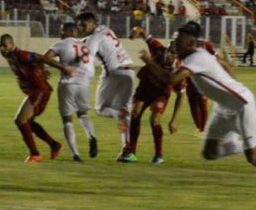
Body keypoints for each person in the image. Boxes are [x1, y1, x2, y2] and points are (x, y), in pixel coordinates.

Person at [140, 23, 256, 201]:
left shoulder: (197, 58)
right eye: (176, 39)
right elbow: (224, 63)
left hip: (241, 105)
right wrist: (231, 83)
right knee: (209, 153)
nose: (176, 43)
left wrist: (149, 62)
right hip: (223, 107)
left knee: (253, 158)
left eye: (180, 40)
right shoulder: (198, 55)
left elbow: (172, 79)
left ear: (191, 43)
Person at [0, 33, 71, 162]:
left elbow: (41, 57)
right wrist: (41, 69)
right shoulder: (12, 58)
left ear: (12, 44)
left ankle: (35, 154)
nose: (2, 49)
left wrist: (63, 68)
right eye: (0, 46)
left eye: (5, 45)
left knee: (21, 120)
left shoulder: (20, 55)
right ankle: (54, 145)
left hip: (40, 91)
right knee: (28, 122)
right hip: (35, 91)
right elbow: (37, 63)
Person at [121, 27, 184, 164]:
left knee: (155, 120)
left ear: (177, 56)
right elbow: (144, 33)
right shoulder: (158, 49)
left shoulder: (179, 70)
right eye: (168, 51)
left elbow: (181, 95)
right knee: (135, 113)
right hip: (145, 88)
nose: (168, 55)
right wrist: (135, 31)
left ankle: (158, 155)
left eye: (172, 53)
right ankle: (131, 153)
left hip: (161, 94)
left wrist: (174, 120)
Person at [76, 12, 134, 158]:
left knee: (100, 109)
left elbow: (86, 58)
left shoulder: (94, 38)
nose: (82, 27)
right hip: (129, 71)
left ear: (92, 23)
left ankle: (119, 115)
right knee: (126, 112)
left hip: (113, 73)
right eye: (80, 25)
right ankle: (127, 152)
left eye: (84, 24)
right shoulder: (105, 29)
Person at [43, 22, 98, 161]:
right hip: (84, 83)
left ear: (68, 32)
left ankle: (76, 154)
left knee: (67, 120)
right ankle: (92, 136)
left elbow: (45, 57)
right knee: (83, 114)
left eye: (62, 31)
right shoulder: (85, 46)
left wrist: (46, 68)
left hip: (68, 83)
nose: (60, 34)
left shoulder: (62, 43)